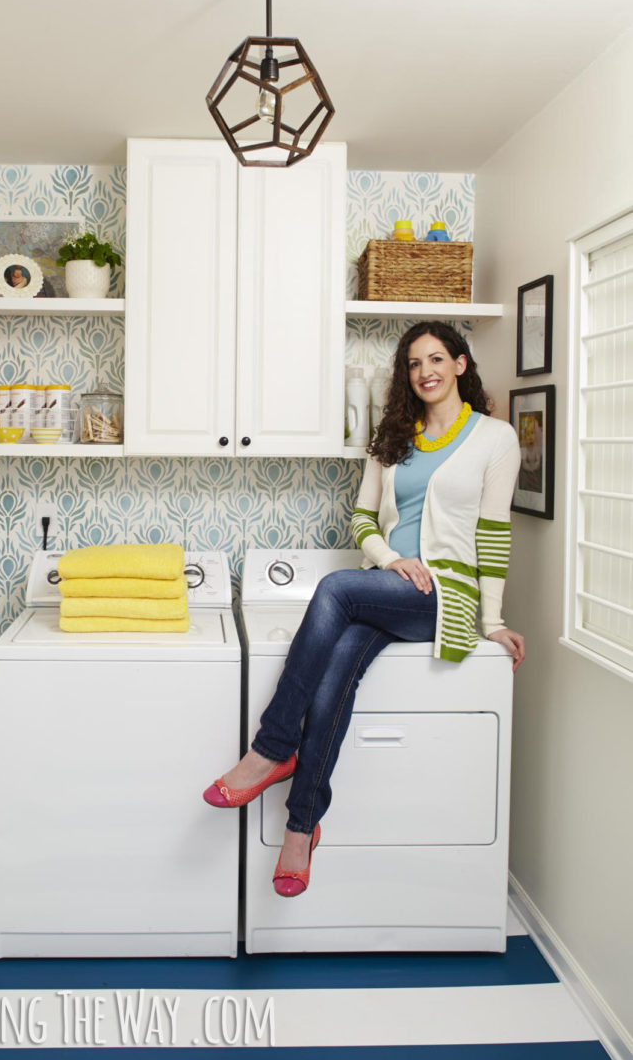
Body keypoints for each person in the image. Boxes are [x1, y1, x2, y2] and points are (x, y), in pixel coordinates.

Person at [203, 321, 525, 898]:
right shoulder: (394, 437)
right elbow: (362, 519)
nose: (424, 372)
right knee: (336, 670)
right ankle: (302, 827)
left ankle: (271, 749)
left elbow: (495, 534)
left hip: (445, 595)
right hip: (390, 587)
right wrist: (388, 559)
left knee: (333, 591)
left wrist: (493, 623)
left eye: (435, 359)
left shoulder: (494, 438)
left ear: (459, 364)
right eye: (412, 364)